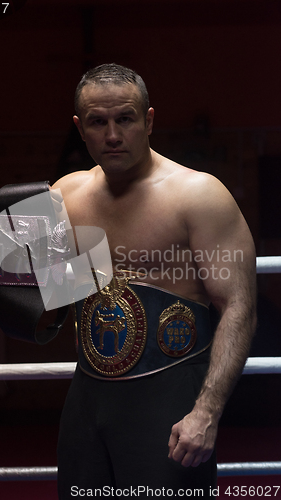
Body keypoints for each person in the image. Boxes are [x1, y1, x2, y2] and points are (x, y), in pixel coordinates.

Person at [51, 63, 257, 498]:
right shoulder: (65, 194)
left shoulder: (198, 195)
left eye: (124, 118)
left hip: (170, 396)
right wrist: (13, 253)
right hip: (88, 398)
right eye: (97, 122)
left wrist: (207, 411)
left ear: (147, 121)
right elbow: (55, 300)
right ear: (79, 128)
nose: (112, 134)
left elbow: (238, 305)